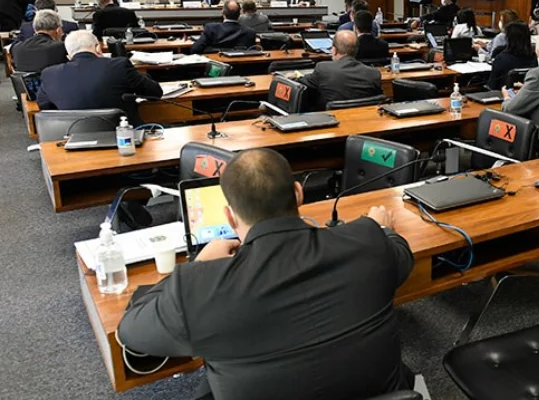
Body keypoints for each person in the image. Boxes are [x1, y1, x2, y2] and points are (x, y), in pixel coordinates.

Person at [118, 148, 415, 400]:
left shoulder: (198, 286)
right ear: (298, 194)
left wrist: (196, 266)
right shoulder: (367, 241)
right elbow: (401, 257)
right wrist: (382, 229)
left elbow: (130, 331)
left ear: (230, 216)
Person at [36, 30, 163, 126]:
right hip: (125, 137)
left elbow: (45, 106)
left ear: (69, 55)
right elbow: (155, 93)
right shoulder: (119, 66)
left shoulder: (50, 74)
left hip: (74, 139)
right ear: (98, 48)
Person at [298, 30, 383, 110]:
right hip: (364, 121)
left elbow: (301, 84)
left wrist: (294, 76)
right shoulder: (374, 73)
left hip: (331, 120)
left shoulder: (323, 68)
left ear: (334, 50)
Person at [190, 0, 257, 54]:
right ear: (240, 14)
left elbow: (195, 49)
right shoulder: (249, 32)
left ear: (223, 13)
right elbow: (251, 53)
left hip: (215, 66)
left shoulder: (211, 28)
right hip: (241, 68)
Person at [487, 22, 537, 91]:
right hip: (527, 94)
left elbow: (492, 85)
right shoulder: (534, 57)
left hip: (502, 96)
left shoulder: (501, 58)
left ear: (508, 38)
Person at [15, 0, 79, 44]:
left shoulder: (26, 28)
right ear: (55, 10)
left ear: (36, 10)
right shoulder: (71, 26)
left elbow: (15, 45)